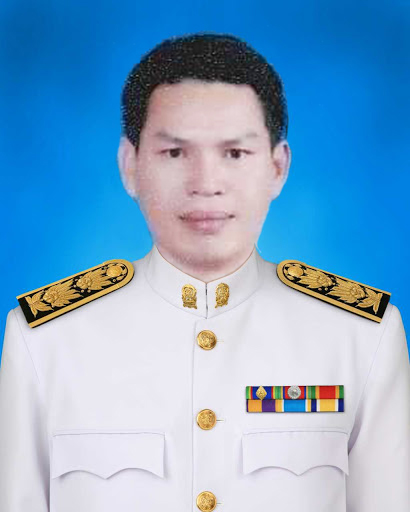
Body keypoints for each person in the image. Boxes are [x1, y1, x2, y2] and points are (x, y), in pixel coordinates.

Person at [0, 32, 409, 512]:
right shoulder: (45, 340)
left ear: (277, 168)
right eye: (175, 153)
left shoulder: (360, 337)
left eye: (234, 154)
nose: (206, 184)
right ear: (130, 165)